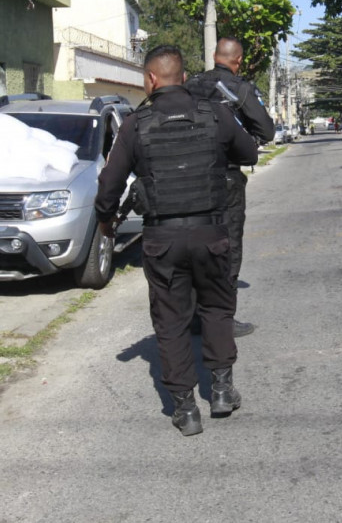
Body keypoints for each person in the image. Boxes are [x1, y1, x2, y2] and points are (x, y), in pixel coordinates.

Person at [95, 45, 258, 436]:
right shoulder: (214, 113)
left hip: (161, 238)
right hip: (211, 233)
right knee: (217, 309)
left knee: (171, 321)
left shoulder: (136, 124)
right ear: (183, 77)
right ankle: (221, 390)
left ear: (150, 80)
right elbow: (249, 150)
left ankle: (185, 409)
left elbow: (109, 185)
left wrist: (105, 222)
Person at [185, 37, 274, 338]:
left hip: (187, 178)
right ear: (238, 61)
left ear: (214, 56)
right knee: (228, 247)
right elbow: (266, 129)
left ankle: (196, 317)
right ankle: (223, 320)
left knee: (196, 246)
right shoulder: (240, 88)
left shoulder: (190, 85)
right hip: (225, 178)